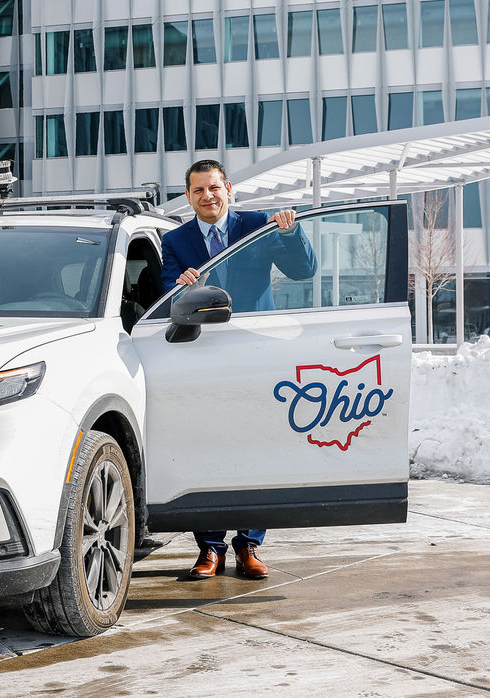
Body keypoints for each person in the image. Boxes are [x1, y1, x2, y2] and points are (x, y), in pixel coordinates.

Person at [160, 159, 318, 581]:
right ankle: (209, 548)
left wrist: (291, 233)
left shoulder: (257, 225)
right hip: (201, 356)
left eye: (214, 187)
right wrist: (181, 286)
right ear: (188, 196)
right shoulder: (175, 240)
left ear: (228, 189)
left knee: (256, 445)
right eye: (198, 190)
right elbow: (165, 292)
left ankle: (249, 544)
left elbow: (303, 271)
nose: (207, 196)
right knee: (207, 445)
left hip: (255, 352)